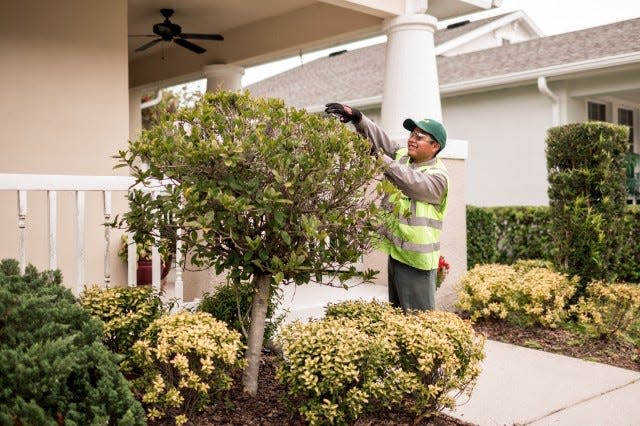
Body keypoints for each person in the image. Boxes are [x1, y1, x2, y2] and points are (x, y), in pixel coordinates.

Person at [325, 103, 448, 311]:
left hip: (417, 261)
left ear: (435, 146)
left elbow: (410, 182)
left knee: (419, 322)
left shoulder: (438, 177)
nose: (411, 139)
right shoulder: (404, 158)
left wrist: (378, 157)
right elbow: (383, 143)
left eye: (420, 137)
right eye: (412, 134)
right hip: (398, 252)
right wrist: (358, 118)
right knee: (398, 316)